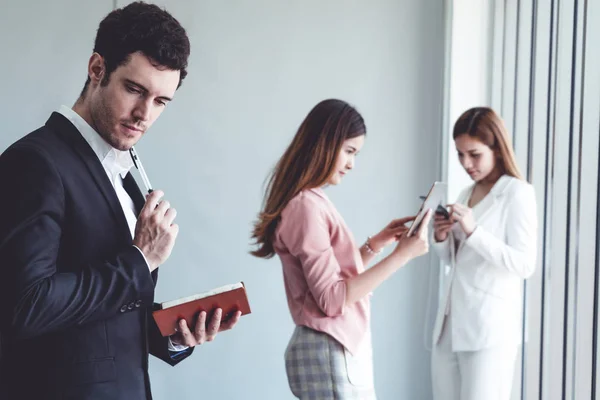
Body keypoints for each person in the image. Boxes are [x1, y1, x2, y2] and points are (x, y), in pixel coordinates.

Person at [0, 3, 239, 399]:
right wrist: (141, 260)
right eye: (135, 89)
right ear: (97, 69)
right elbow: (24, 306)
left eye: (161, 102)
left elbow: (108, 318)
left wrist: (176, 334)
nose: (144, 114)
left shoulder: (125, 171)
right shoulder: (35, 162)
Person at [251, 99, 432, 399]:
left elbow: (332, 283)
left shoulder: (311, 201)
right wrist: (404, 254)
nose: (352, 164)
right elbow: (332, 300)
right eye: (349, 151)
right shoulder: (306, 207)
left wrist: (376, 244)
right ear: (324, 145)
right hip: (328, 346)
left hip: (335, 346)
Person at [430, 107, 537, 400]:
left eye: (474, 154)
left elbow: (524, 264)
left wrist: (474, 232)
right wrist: (441, 236)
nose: (466, 163)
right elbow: (456, 260)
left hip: (489, 328)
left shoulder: (517, 193)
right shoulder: (467, 193)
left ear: (497, 149)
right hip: (450, 325)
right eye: (460, 154)